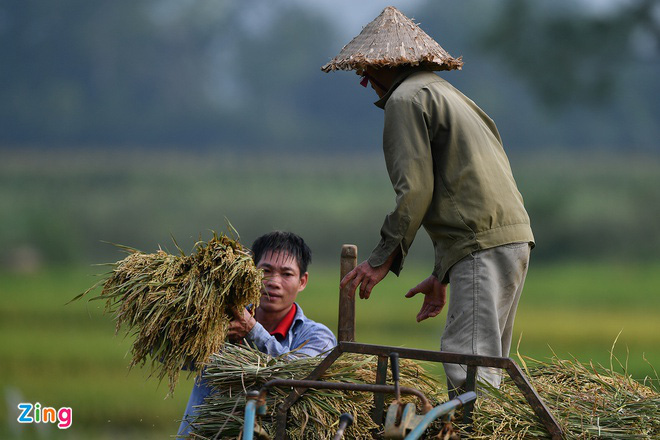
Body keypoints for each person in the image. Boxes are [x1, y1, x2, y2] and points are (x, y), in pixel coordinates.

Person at [323, 7, 534, 395]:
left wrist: (380, 259)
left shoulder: (405, 100)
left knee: (468, 365)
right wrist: (441, 275)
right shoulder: (447, 94)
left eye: (365, 72)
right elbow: (459, 190)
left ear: (383, 65)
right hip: (511, 239)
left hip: (481, 245)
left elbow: (416, 192)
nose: (365, 83)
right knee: (489, 362)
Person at [177, 231, 337, 437]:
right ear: (250, 272)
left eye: (287, 274)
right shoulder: (220, 320)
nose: (274, 282)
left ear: (302, 281)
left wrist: (253, 331)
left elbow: (297, 374)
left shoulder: (317, 336)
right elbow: (171, 357)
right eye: (266, 270)